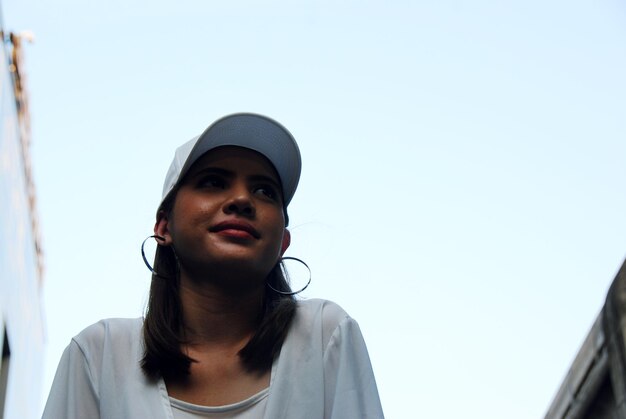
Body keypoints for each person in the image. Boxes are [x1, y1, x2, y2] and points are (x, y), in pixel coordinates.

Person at [42, 113, 384, 418]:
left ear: (282, 242)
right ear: (164, 227)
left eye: (265, 191)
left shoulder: (326, 335)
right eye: (213, 182)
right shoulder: (98, 356)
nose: (241, 200)